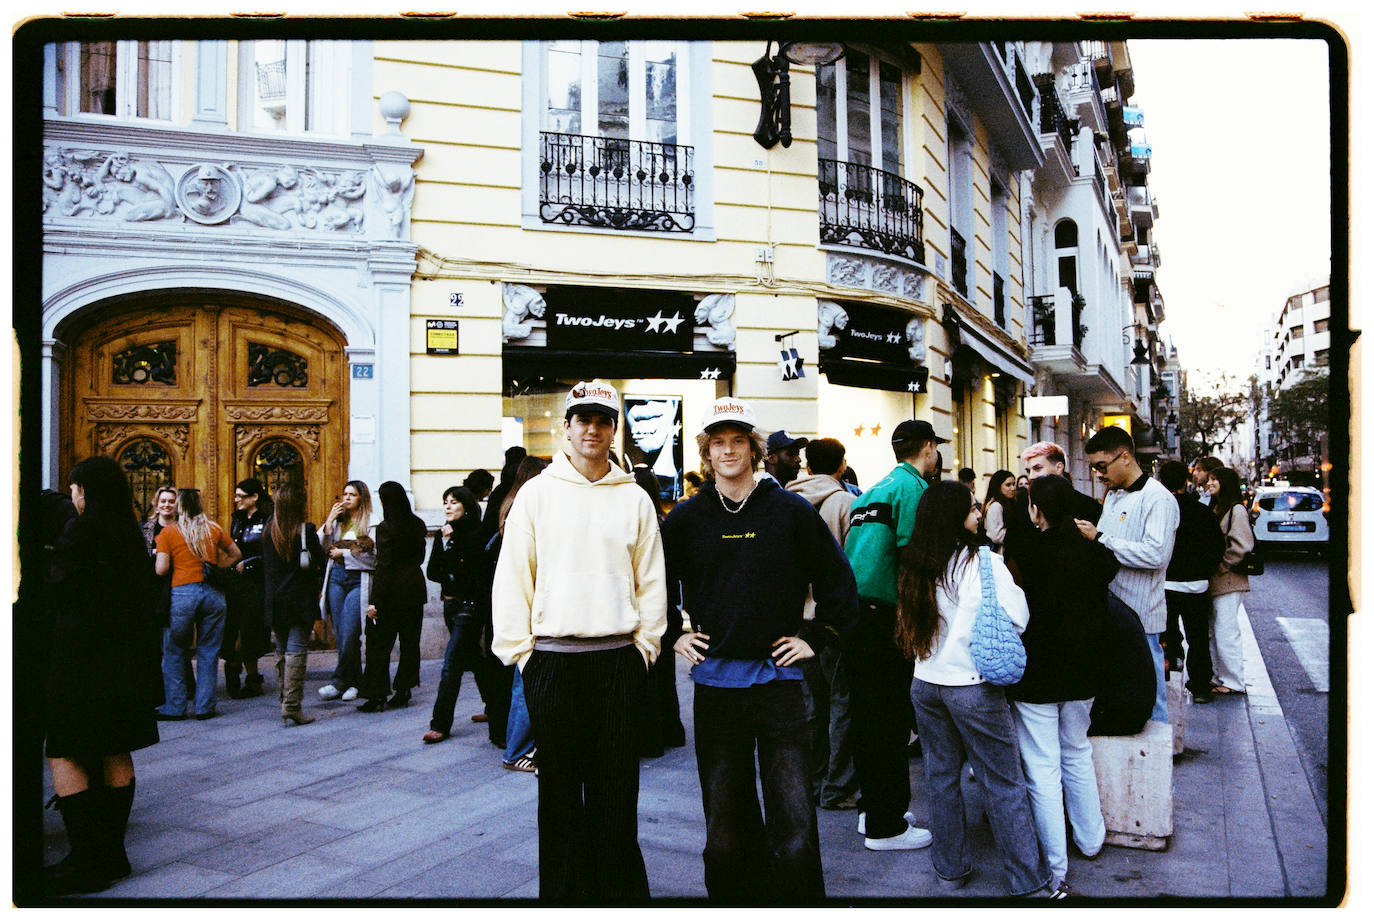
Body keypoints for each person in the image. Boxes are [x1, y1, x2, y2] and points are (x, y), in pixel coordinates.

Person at [664, 398, 858, 902]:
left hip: (780, 686)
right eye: (718, 443)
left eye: (738, 441)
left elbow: (838, 580)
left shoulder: (789, 510)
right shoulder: (687, 518)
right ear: (707, 452)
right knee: (724, 828)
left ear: (755, 449)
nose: (728, 451)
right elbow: (649, 583)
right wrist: (672, 633)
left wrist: (814, 639)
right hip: (715, 688)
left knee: (794, 823)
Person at [492, 381, 667, 903]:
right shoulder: (537, 495)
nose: (592, 429)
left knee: (617, 795)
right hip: (553, 662)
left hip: (618, 661)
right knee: (560, 798)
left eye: (603, 420)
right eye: (582, 419)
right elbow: (513, 578)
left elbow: (652, 581)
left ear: (615, 430)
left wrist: (646, 649)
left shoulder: (633, 498)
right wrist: (522, 656)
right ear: (565, 427)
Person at [896, 481, 1061, 897]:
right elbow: (1017, 618)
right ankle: (1028, 882)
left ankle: (950, 870)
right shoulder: (984, 564)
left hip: (926, 683)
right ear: (956, 517)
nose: (980, 513)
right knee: (1002, 782)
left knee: (941, 777)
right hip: (973, 687)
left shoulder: (916, 564)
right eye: (973, 508)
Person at [44, 456, 162, 895]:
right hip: (124, 664)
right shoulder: (128, 532)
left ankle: (86, 858)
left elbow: (60, 587)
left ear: (84, 490)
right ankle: (113, 853)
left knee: (64, 752)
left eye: (75, 489)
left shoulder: (83, 528)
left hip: (82, 663)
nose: (73, 497)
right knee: (115, 749)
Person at [1007, 475, 1118, 893]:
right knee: (1077, 752)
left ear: (1035, 510)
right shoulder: (1094, 554)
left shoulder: (1023, 554)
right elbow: (1107, 570)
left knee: (1042, 766)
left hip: (1037, 673)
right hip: (1084, 671)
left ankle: (1056, 865)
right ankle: (1091, 839)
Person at [843, 418, 944, 850]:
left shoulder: (873, 489)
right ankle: (888, 826)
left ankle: (874, 811)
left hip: (855, 616)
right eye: (936, 448)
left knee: (867, 719)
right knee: (889, 721)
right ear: (927, 448)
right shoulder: (914, 490)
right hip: (887, 618)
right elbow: (913, 560)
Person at [1075, 426, 1179, 724]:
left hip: (1142, 617)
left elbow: (1156, 554)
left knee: (1151, 696)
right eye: (1094, 467)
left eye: (1102, 466)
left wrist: (1100, 539)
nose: (1097, 473)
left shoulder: (1157, 499)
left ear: (1125, 457)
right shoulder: (1113, 496)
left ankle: (1159, 759)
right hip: (1112, 613)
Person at [787, 436, 860, 809]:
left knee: (809, 710)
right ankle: (837, 787)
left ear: (807, 466)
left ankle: (811, 780)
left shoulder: (786, 500)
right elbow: (854, 564)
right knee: (841, 704)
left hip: (796, 623)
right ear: (842, 465)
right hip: (832, 622)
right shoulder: (846, 502)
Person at [154, 488, 242, 721]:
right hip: (213, 594)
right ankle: (205, 706)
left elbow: (161, 569)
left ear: (179, 507)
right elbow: (236, 554)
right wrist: (216, 568)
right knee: (208, 650)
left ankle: (175, 707)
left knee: (174, 650)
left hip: (182, 593)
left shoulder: (169, 533)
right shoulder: (213, 529)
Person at [422, 486, 495, 743]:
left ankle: (440, 723)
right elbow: (433, 572)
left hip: (469, 606)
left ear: (466, 506)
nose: (448, 507)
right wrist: (445, 545)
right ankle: (494, 706)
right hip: (450, 606)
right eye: (445, 502)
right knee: (474, 658)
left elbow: (469, 576)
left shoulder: (475, 535)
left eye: (453, 502)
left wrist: (452, 554)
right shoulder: (445, 534)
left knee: (451, 665)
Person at [491, 456, 549, 770]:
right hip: (528, 602)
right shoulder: (522, 505)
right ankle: (516, 751)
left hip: (525, 600)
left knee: (523, 679)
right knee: (525, 680)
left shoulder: (511, 501)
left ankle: (520, 747)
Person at [357, 481, 429, 712]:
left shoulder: (386, 527)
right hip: (414, 588)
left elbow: (384, 566)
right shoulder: (418, 524)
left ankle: (376, 694)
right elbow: (419, 557)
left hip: (391, 592)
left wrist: (374, 601)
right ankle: (404, 690)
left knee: (379, 644)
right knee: (410, 643)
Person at [1158, 460, 1226, 704]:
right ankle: (1199, 687)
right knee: (1198, 638)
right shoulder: (1202, 511)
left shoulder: (1161, 510)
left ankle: (1168, 673)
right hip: (1197, 585)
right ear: (1185, 481)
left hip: (1166, 584)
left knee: (1165, 634)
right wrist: (1204, 571)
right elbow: (1218, 547)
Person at [632, 466, 687, 759]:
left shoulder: (638, 522)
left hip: (645, 605)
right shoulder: (665, 521)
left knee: (645, 674)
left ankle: (651, 736)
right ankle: (670, 729)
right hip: (667, 606)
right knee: (663, 673)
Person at [261, 483, 325, 726]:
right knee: (297, 649)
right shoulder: (305, 530)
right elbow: (318, 560)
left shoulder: (269, 531)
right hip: (299, 598)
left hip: (275, 600)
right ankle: (292, 706)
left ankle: (283, 700)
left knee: (281, 650)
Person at [318, 481, 375, 702]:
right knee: (340, 633)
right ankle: (353, 681)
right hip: (336, 577)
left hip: (357, 578)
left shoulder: (371, 523)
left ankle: (339, 680)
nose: (347, 498)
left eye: (352, 494)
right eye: (345, 494)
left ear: (362, 498)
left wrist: (345, 554)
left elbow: (373, 557)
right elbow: (318, 546)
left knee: (351, 632)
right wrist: (329, 521)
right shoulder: (338, 523)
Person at [1207, 467, 1255, 697]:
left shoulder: (1236, 510)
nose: (1209, 483)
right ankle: (1220, 676)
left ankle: (1234, 681)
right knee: (1217, 629)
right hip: (1218, 580)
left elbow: (1243, 546)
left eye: (1214, 479)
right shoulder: (1218, 508)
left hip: (1230, 579)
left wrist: (1222, 566)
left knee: (1226, 630)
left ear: (1225, 482)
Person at [223, 478, 272, 699]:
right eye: (236, 496)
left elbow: (272, 551)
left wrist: (251, 563)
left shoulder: (268, 519)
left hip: (257, 583)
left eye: (241, 496)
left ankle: (247, 674)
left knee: (250, 629)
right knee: (234, 626)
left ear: (254, 498)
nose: (236, 500)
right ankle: (240, 671)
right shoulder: (238, 520)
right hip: (237, 584)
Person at [981, 469, 1018, 553]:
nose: (1013, 488)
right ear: (998, 486)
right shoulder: (996, 506)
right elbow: (995, 535)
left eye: (1013, 484)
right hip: (1000, 553)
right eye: (1008, 485)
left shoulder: (1007, 503)